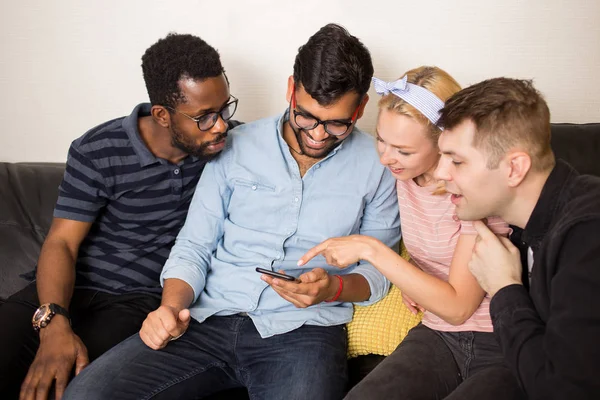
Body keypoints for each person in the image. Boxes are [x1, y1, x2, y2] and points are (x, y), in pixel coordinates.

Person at [62, 23, 400, 400]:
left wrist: (333, 288)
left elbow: (378, 270)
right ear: (291, 90)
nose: (318, 135)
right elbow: (193, 246)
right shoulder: (235, 146)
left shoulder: (379, 166)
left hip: (303, 332)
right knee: (86, 394)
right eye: (306, 116)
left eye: (337, 123)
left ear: (361, 108)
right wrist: (170, 309)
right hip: (205, 321)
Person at [0, 33, 240, 400]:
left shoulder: (236, 151)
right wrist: (53, 323)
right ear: (162, 115)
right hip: (67, 288)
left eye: (225, 108)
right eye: (204, 117)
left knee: (71, 381)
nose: (221, 125)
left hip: (138, 302)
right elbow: (62, 242)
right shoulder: (98, 148)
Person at [300, 67, 525, 399]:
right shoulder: (404, 177)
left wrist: (371, 250)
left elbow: (460, 307)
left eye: (403, 150)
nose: (386, 158)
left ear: (445, 141)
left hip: (498, 342)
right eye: (381, 140)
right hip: (438, 336)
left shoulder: (475, 190)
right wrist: (415, 279)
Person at [433, 77, 600, 399]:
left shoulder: (588, 235)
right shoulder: (524, 222)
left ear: (514, 169)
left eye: (456, 161)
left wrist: (504, 288)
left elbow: (563, 390)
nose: (441, 173)